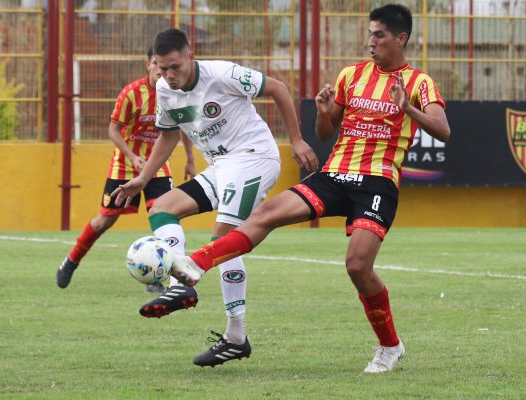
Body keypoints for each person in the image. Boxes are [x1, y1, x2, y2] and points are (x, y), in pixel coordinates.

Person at [168, 4, 451, 373]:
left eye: (379, 35)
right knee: (266, 214)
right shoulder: (351, 75)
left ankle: (390, 346)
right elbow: (324, 134)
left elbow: (443, 129)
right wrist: (323, 111)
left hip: (377, 182)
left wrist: (408, 109)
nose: (371, 42)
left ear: (401, 38)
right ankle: (195, 264)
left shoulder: (419, 82)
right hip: (335, 174)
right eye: (369, 33)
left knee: (357, 265)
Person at [111, 28, 318, 367]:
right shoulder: (164, 89)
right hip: (221, 165)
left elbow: (278, 88)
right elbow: (168, 136)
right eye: (162, 68)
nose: (168, 76)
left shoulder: (221, 74)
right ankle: (202, 302)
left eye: (175, 67)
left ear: (190, 57)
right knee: (163, 207)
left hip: (253, 156)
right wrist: (144, 178)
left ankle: (208, 307)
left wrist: (295, 140)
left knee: (224, 237)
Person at [56, 47, 196, 292]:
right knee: (104, 221)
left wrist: (190, 159)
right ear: (148, 65)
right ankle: (72, 260)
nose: (162, 72)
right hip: (125, 167)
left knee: (163, 218)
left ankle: (162, 278)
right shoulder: (131, 93)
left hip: (157, 167)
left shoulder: (173, 93)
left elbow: (180, 127)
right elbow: (113, 130)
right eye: (157, 65)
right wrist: (131, 156)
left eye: (166, 67)